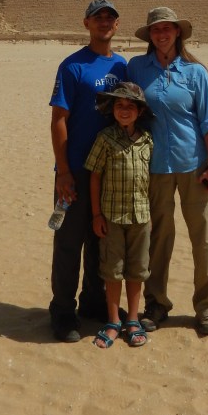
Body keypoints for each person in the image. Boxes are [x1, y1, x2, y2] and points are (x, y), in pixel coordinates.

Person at [127, 6, 208, 336]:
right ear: (149, 35)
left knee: (204, 238)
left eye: (167, 28)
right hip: (155, 167)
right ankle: (157, 303)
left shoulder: (197, 73)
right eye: (156, 30)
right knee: (158, 239)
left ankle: (207, 306)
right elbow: (127, 111)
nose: (162, 34)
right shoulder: (137, 68)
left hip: (194, 165)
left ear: (178, 32)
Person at [49, 0, 127, 342]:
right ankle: (63, 312)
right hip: (76, 170)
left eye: (110, 17)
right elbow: (58, 120)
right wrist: (63, 171)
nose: (104, 22)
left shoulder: (123, 67)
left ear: (117, 25)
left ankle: (94, 303)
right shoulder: (72, 66)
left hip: (110, 171)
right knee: (68, 242)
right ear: (86, 23)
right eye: (98, 17)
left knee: (102, 241)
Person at [85, 83, 154, 349]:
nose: (124, 111)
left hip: (141, 217)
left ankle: (133, 319)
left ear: (139, 112)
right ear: (112, 110)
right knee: (112, 271)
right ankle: (113, 320)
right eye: (119, 106)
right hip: (112, 217)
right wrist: (96, 215)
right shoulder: (105, 138)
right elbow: (95, 176)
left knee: (137, 270)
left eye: (130, 106)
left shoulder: (147, 140)